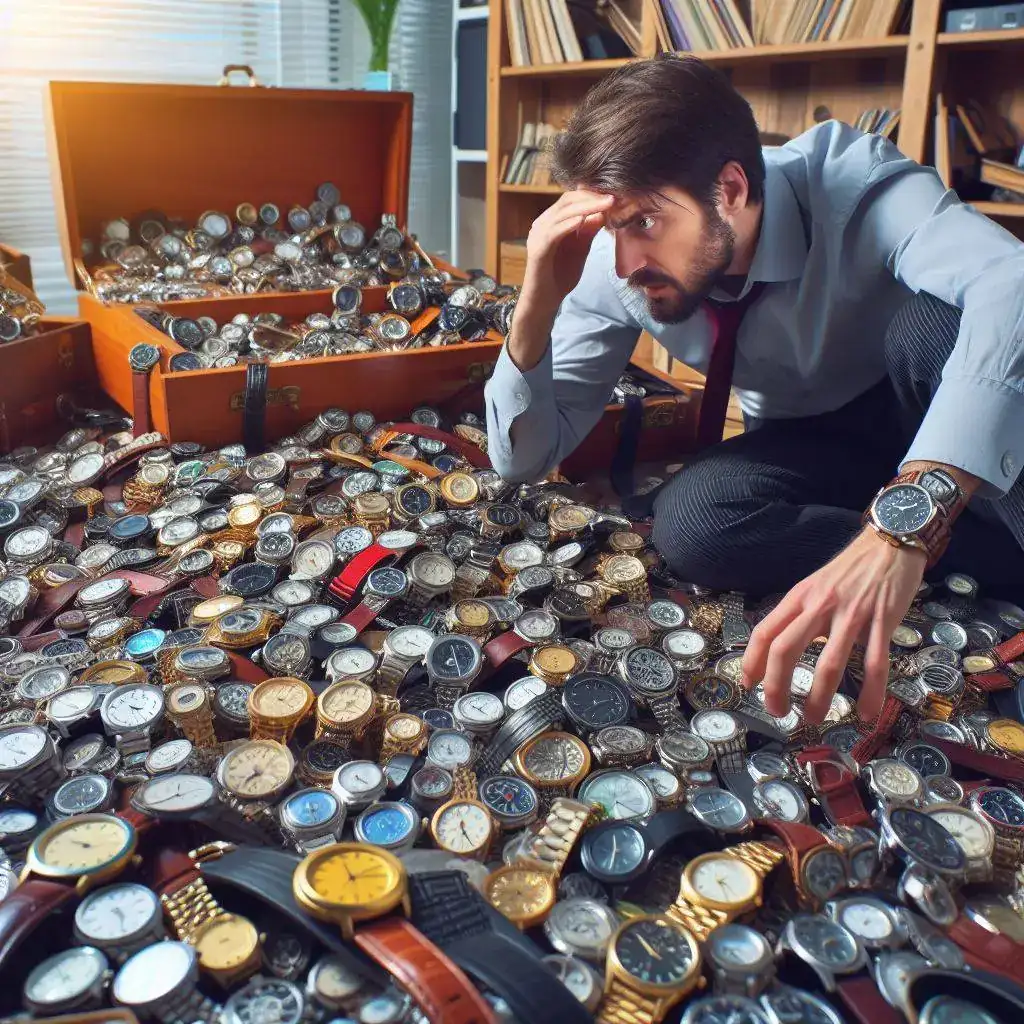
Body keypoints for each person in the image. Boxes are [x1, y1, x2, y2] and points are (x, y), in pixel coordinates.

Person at [483, 53, 1024, 730]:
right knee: (695, 524)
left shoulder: (853, 180)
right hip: (812, 440)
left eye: (645, 222)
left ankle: (925, 538)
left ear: (731, 190)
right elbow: (525, 459)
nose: (624, 265)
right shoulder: (615, 259)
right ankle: (976, 558)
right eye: (611, 228)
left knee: (936, 324)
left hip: (923, 404)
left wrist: (907, 525)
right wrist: (537, 300)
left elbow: (1011, 283)